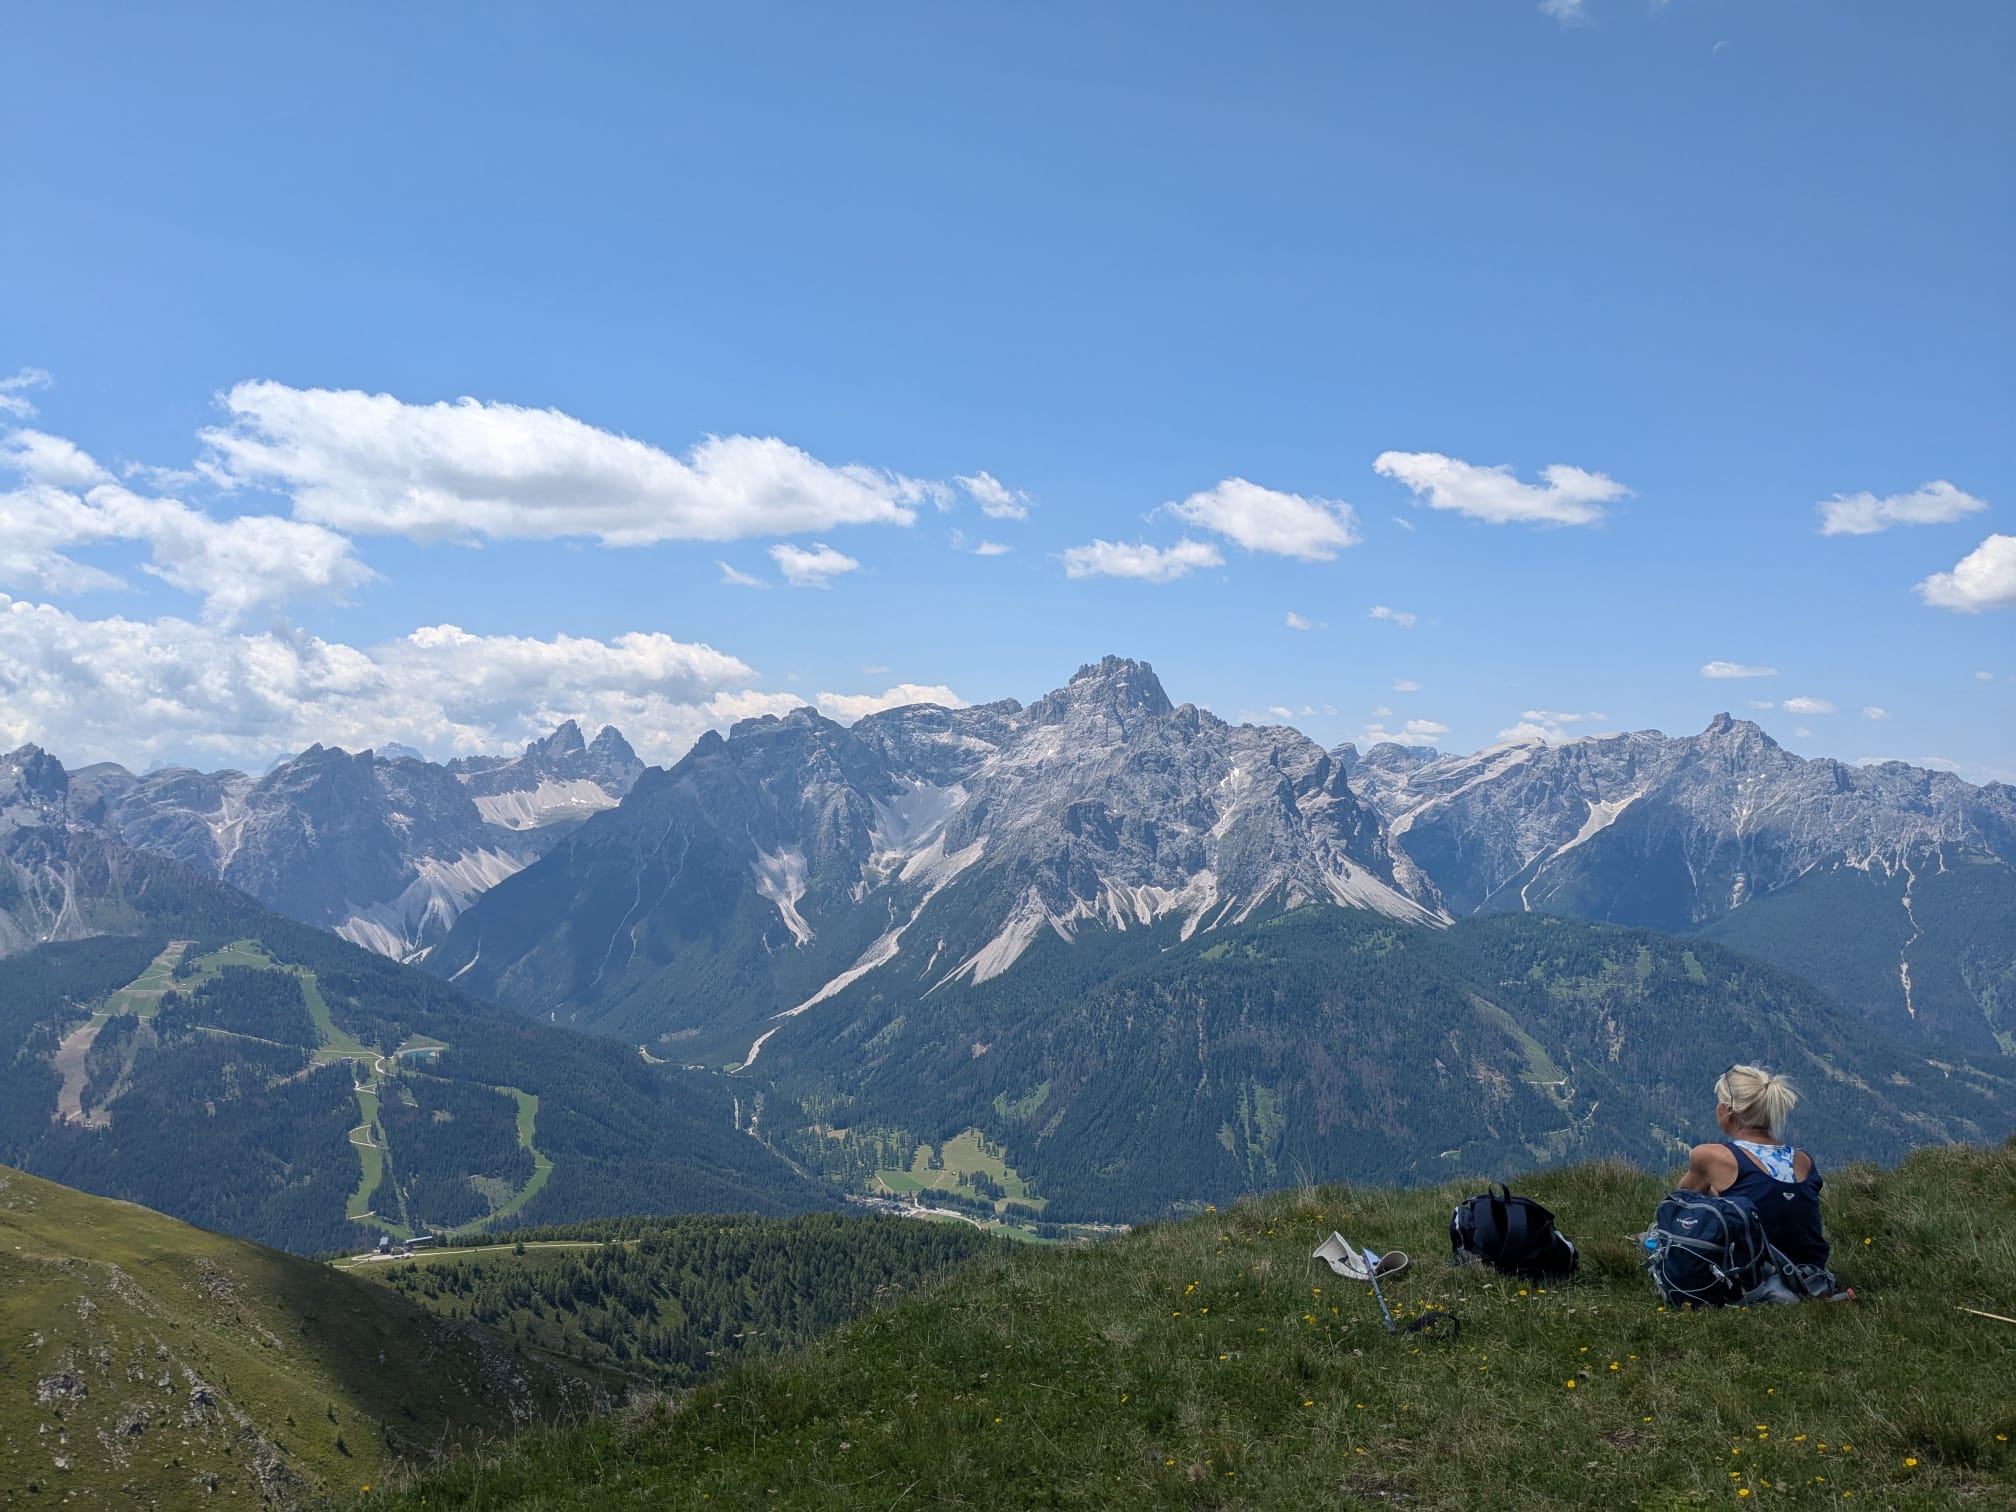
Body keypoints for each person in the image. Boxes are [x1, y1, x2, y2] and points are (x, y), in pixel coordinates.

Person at [1677, 1064, 1832, 1281]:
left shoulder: (1710, 1156)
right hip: (1809, 1275)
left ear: (1727, 1110)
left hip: (1750, 1275)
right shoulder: (1803, 1160)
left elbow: (1681, 1205)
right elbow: (1766, 1195)